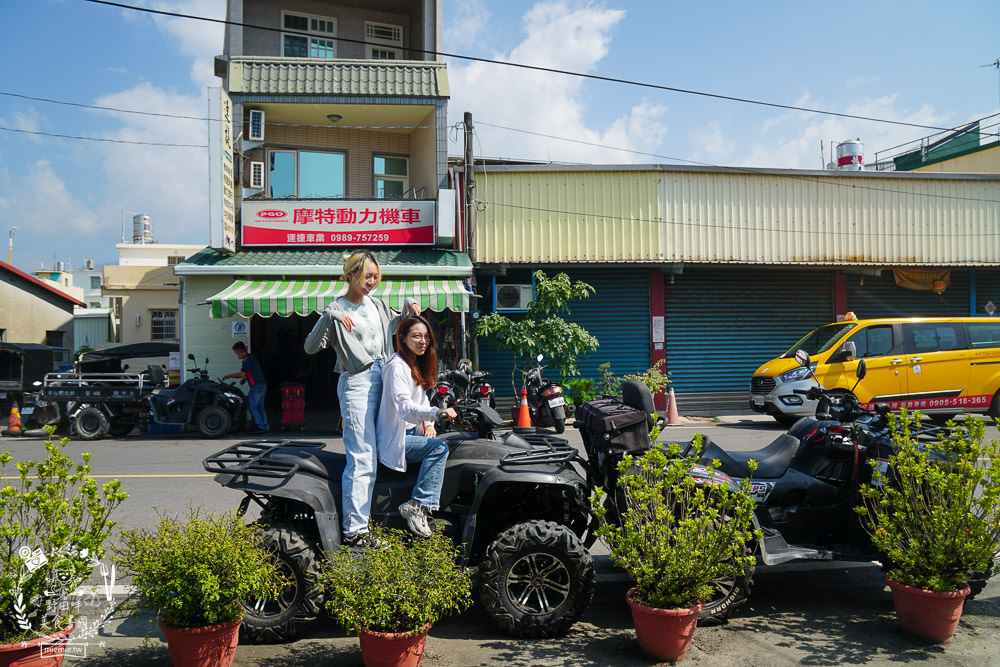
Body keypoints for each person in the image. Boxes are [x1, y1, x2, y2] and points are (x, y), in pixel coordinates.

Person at [303, 250, 418, 549]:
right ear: (350, 275)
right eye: (367, 276)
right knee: (362, 455)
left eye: (376, 277)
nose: (372, 282)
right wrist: (330, 315)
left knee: (390, 445)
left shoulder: (377, 305)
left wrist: (408, 311)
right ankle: (355, 532)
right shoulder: (337, 309)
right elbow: (311, 347)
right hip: (356, 382)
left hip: (384, 377)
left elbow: (395, 328)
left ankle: (374, 519)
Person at [377, 315, 457, 537]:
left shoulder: (414, 365)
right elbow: (404, 407)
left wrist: (430, 423)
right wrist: (437, 411)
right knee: (439, 449)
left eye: (426, 337)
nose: (423, 341)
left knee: (442, 441)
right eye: (416, 336)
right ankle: (417, 505)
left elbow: (421, 402)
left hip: (412, 433)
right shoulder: (396, 367)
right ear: (402, 339)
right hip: (396, 438)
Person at [224, 341, 269, 433]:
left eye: (237, 353)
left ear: (241, 352)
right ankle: (265, 426)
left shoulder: (247, 360)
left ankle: (259, 426)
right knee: (260, 406)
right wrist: (244, 379)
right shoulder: (252, 358)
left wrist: (229, 376)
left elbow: (242, 374)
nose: (237, 355)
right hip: (262, 386)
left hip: (256, 387)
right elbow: (248, 373)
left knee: (252, 406)